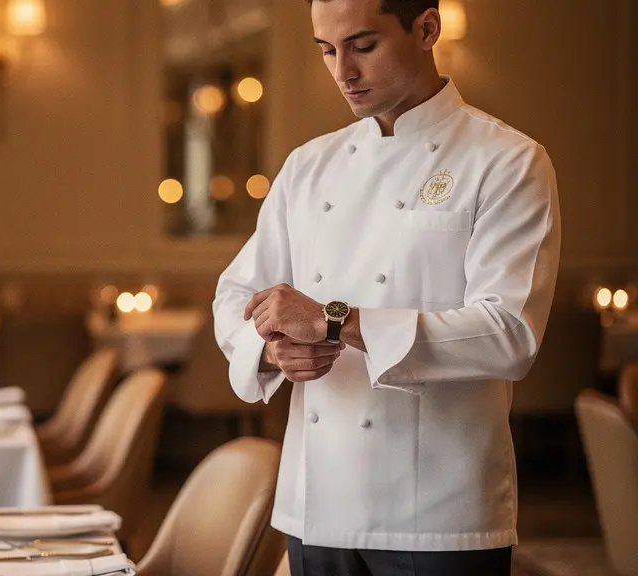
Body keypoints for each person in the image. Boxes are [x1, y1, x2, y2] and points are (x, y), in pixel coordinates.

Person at [212, 1, 561, 574]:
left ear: (427, 28)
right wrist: (274, 348)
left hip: (441, 516)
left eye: (363, 46)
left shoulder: (508, 161)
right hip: (317, 504)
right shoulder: (308, 166)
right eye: (327, 50)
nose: (342, 71)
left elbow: (509, 333)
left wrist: (330, 320)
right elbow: (237, 296)